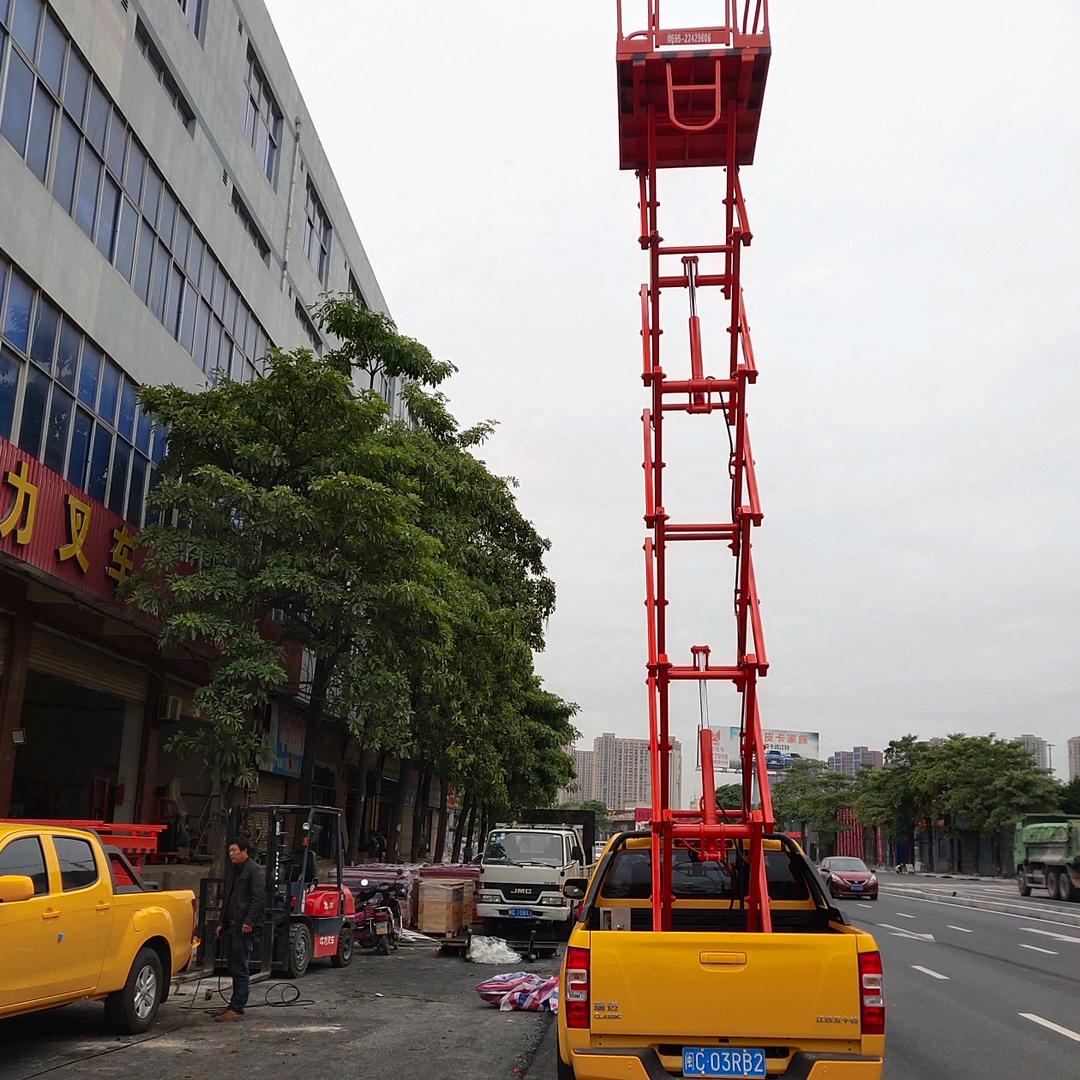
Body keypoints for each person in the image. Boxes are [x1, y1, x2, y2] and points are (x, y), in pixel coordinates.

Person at [214, 836, 264, 1022]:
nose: (232, 854)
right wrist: (222, 922)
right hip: (232, 925)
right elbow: (227, 899)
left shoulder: (254, 871)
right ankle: (233, 1004)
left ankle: (238, 1008)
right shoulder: (233, 871)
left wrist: (249, 921)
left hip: (244, 927)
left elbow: (258, 899)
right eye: (230, 851)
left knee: (241, 967)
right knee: (233, 967)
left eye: (235, 850)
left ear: (245, 851)